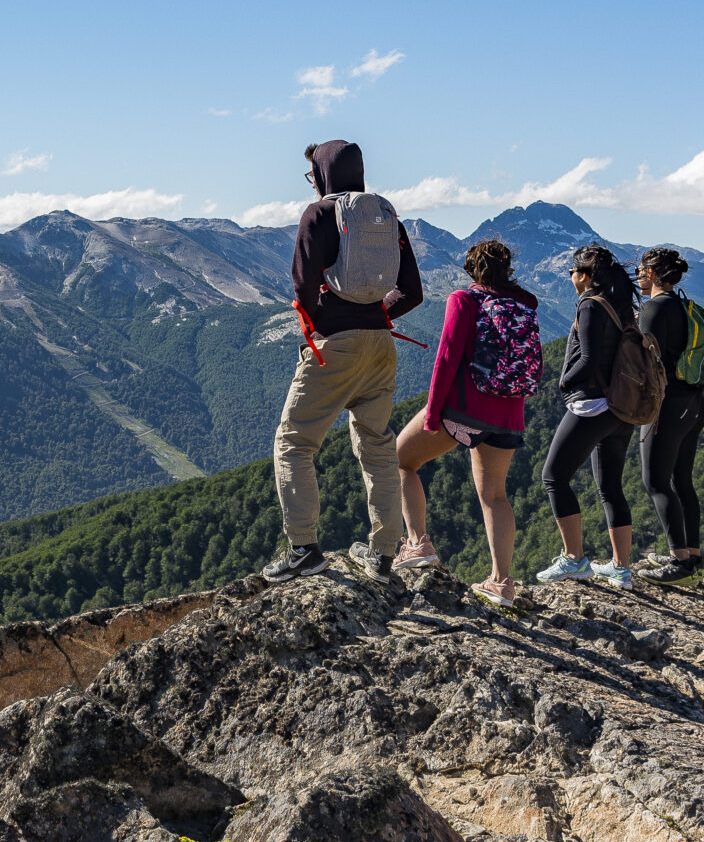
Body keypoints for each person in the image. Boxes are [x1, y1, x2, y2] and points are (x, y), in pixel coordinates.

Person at [260, 140, 423, 583]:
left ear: (325, 174)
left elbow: (302, 285)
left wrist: (324, 322)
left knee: (294, 442)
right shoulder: (387, 218)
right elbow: (414, 291)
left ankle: (303, 548)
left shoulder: (319, 215)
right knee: (377, 445)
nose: (314, 183)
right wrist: (375, 315)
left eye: (314, 175)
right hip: (381, 345)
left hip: (337, 346)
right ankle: (385, 553)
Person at [394, 238, 539, 609]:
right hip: (510, 415)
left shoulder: (464, 300)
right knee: (495, 495)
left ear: (472, 270)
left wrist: (432, 412)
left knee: (400, 460)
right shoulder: (524, 304)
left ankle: (416, 543)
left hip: (465, 411)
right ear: (507, 270)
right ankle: (502, 583)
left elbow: (447, 357)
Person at [536, 244, 639, 588]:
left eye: (571, 272)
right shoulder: (619, 305)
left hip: (591, 405)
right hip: (619, 410)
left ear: (583, 276)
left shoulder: (590, 304)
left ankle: (575, 559)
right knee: (610, 486)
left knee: (553, 476)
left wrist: (565, 379)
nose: (569, 278)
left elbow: (591, 358)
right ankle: (621, 568)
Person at [634, 247, 704, 585]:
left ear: (652, 272)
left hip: (665, 405)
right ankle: (692, 557)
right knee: (683, 481)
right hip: (693, 403)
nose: (637, 275)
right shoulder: (684, 307)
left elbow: (643, 363)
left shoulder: (652, 309)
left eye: (640, 269)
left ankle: (678, 562)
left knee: (655, 481)